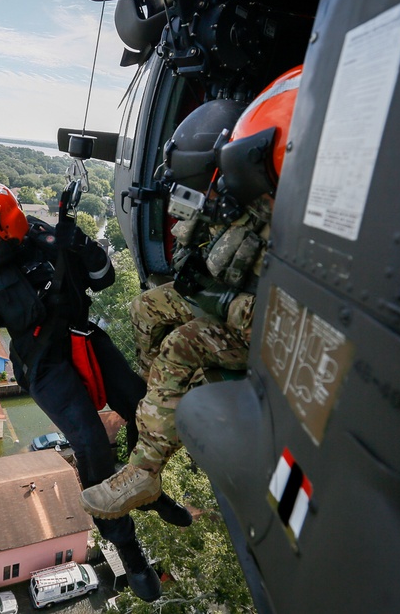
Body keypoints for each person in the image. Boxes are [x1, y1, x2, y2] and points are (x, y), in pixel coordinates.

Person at [0, 181, 188, 603]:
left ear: (9, 227)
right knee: (90, 442)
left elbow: (103, 279)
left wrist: (82, 244)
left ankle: (149, 490)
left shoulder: (46, 238)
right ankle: (129, 551)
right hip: (43, 364)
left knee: (145, 410)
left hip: (82, 337)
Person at [81, 66, 302, 520]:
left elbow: (285, 319)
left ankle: (145, 470)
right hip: (226, 298)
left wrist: (215, 301)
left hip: (261, 329)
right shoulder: (250, 194)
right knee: (144, 307)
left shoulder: (299, 224)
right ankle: (155, 401)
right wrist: (192, 265)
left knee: (180, 346)